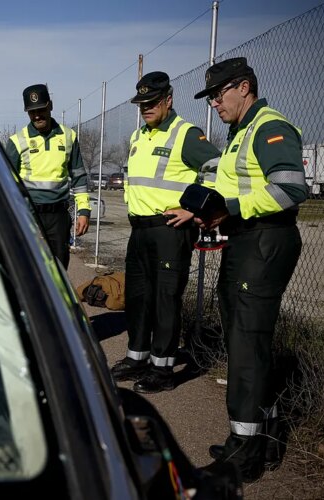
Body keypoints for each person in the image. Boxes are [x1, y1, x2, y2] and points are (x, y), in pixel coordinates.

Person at [192, 57, 307, 482]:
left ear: (244, 87)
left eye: (219, 95)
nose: (215, 104)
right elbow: (237, 185)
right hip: (245, 240)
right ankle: (264, 434)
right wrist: (211, 211)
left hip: (265, 241)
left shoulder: (267, 126)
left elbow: (292, 187)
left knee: (245, 346)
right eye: (211, 97)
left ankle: (245, 451)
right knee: (247, 343)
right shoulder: (240, 131)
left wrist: (232, 208)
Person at [109, 71, 221, 393]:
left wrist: (195, 209)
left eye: (152, 102)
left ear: (168, 99)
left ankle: (163, 367)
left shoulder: (185, 134)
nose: (146, 108)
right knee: (138, 297)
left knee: (165, 299)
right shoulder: (138, 136)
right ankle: (137, 357)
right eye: (141, 103)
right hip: (139, 230)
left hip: (169, 229)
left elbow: (215, 166)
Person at [5, 84, 90, 269]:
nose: (37, 116)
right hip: (28, 216)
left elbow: (79, 177)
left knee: (58, 269)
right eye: (31, 111)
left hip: (58, 217)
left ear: (50, 105)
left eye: (41, 110)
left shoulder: (68, 137)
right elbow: (6, 183)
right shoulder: (17, 141)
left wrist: (84, 211)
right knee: (28, 269)